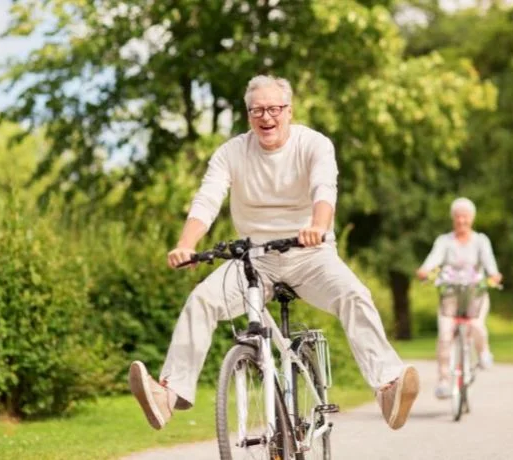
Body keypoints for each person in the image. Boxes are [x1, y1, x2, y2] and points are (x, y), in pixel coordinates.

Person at [128, 75, 420, 431]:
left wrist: (318, 225)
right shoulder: (231, 152)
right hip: (253, 260)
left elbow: (324, 188)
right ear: (248, 114)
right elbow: (207, 200)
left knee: (355, 295)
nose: (266, 117)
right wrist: (186, 244)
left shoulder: (314, 144)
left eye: (274, 109)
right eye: (257, 111)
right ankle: (168, 395)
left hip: (310, 255)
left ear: (289, 111)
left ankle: (388, 387)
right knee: (201, 300)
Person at [416, 197, 502, 399]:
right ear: (453, 219)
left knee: (476, 325)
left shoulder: (481, 241)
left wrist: (494, 275)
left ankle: (483, 353)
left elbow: (490, 265)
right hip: (450, 295)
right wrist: (425, 270)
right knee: (445, 335)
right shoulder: (444, 241)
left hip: (474, 294)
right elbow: (433, 259)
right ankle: (444, 381)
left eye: (465, 217)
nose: (461, 221)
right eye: (458, 217)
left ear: (472, 218)